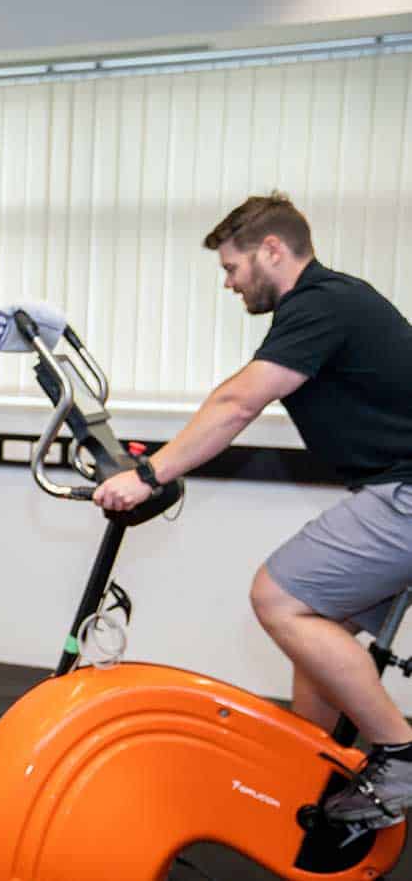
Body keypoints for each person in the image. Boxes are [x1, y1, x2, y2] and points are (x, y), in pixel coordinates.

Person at [94, 193, 412, 826]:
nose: (230, 283)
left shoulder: (320, 303)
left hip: (404, 490)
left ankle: (400, 756)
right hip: (390, 488)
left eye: (232, 268)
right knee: (316, 631)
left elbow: (238, 402)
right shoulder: (331, 302)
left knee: (277, 597)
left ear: (272, 250)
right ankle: (311, 779)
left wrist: (150, 474)